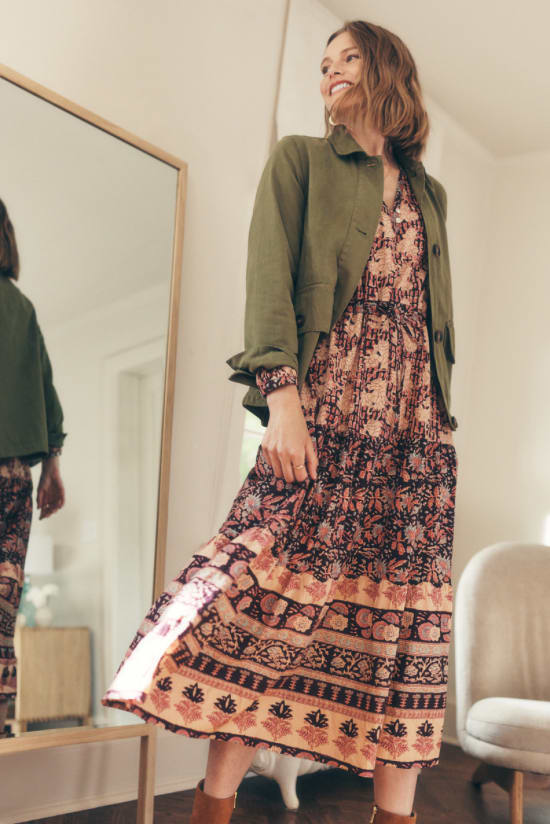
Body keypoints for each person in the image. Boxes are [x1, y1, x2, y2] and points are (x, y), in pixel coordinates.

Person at [102, 19, 457, 824]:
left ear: (388, 70)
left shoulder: (429, 195)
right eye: (323, 64)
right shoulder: (299, 159)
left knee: (405, 639)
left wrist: (435, 433)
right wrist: (283, 402)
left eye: (348, 58)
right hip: (324, 413)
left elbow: (430, 322)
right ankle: (213, 808)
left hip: (415, 437)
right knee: (263, 610)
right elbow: (269, 278)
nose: (330, 72)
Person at [0, 198, 67, 738]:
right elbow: (47, 394)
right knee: (3, 614)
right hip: (16, 479)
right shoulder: (21, 309)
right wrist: (52, 468)